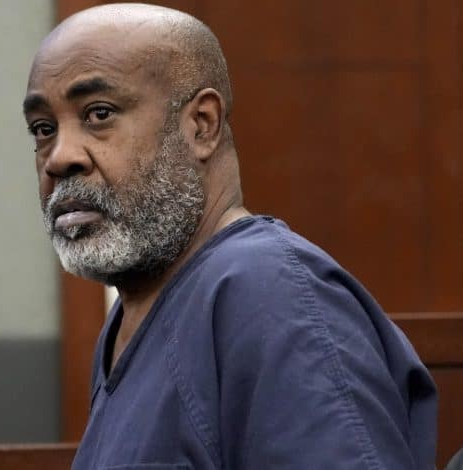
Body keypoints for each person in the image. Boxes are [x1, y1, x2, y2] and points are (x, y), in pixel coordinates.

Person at [22, 3, 437, 469]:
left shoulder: (267, 291)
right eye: (43, 129)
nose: (59, 157)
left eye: (99, 114)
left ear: (202, 125)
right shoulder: (134, 316)